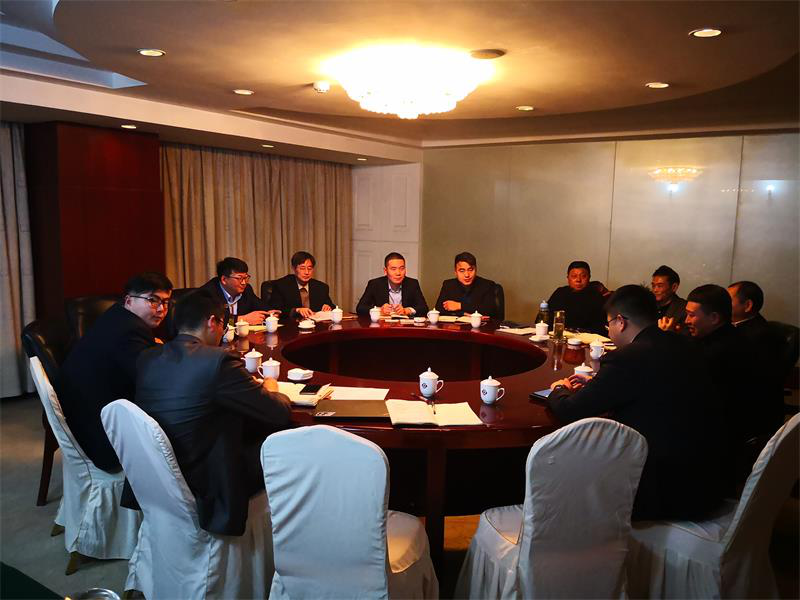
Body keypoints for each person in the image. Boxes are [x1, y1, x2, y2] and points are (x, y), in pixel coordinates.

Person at [546, 285, 723, 520]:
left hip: (664, 490)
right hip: (706, 480)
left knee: (569, 471)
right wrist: (600, 384)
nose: (609, 330)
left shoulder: (627, 358)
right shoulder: (683, 343)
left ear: (621, 322)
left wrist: (559, 389)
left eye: (608, 324)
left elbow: (569, 410)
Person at [134, 291, 291, 535]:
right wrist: (271, 387)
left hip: (157, 474)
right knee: (288, 441)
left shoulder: (148, 356)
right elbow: (278, 412)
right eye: (222, 325)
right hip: (206, 480)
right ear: (212, 322)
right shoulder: (218, 361)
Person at [58, 272, 173, 472]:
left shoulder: (117, 316)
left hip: (82, 416)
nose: (161, 309)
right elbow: (151, 382)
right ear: (129, 300)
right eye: (153, 300)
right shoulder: (131, 330)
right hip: (103, 436)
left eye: (166, 302)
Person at [728, 281, 785, 433]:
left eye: (728, 300)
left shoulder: (760, 336)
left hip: (752, 413)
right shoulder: (735, 326)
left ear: (747, 305)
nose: (722, 304)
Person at [199, 257, 274, 325]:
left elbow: (261, 306)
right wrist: (242, 319)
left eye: (246, 278)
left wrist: (271, 313)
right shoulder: (208, 293)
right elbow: (213, 321)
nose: (244, 283)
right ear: (224, 279)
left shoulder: (246, 289)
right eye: (239, 278)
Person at [356, 252, 429, 316]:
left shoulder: (412, 284)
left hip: (405, 326)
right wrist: (380, 310)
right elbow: (360, 308)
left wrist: (406, 310)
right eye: (393, 269)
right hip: (382, 326)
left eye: (402, 268)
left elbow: (424, 308)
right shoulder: (374, 284)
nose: (398, 273)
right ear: (385, 271)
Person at [434, 252, 502, 318]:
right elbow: (438, 310)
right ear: (455, 272)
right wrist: (463, 313)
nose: (467, 275)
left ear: (476, 269)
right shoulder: (448, 285)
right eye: (462, 271)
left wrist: (459, 306)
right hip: (455, 325)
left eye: (470, 270)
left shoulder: (488, 285)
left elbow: (489, 310)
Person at [269, 251, 335, 319]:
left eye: (309, 268)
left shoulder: (321, 287)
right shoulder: (281, 285)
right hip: (292, 324)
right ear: (294, 268)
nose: (307, 272)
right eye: (302, 268)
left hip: (315, 324)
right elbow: (275, 310)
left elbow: (333, 306)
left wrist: (328, 307)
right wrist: (296, 310)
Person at [546, 261, 607, 334]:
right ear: (568, 278)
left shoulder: (596, 296)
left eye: (583, 276)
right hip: (559, 335)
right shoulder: (560, 293)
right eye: (574, 276)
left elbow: (601, 326)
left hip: (586, 337)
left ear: (589, 277)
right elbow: (546, 319)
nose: (578, 280)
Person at [651, 265, 687, 332]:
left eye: (660, 286)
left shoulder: (684, 309)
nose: (655, 290)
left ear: (674, 287)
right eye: (653, 286)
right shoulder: (649, 305)